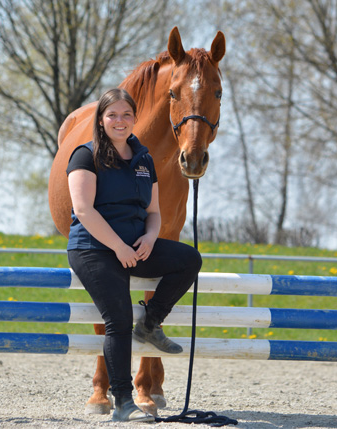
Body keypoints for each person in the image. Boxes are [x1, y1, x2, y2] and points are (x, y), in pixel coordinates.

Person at [66, 88, 202, 422]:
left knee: (190, 260)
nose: (120, 121)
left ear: (135, 118)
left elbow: (153, 212)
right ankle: (124, 401)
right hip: (94, 248)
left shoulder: (143, 160)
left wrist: (151, 238)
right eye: (113, 115)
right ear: (101, 119)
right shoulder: (84, 156)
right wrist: (119, 246)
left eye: (127, 115)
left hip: (134, 246)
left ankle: (152, 321)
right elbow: (84, 210)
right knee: (118, 318)